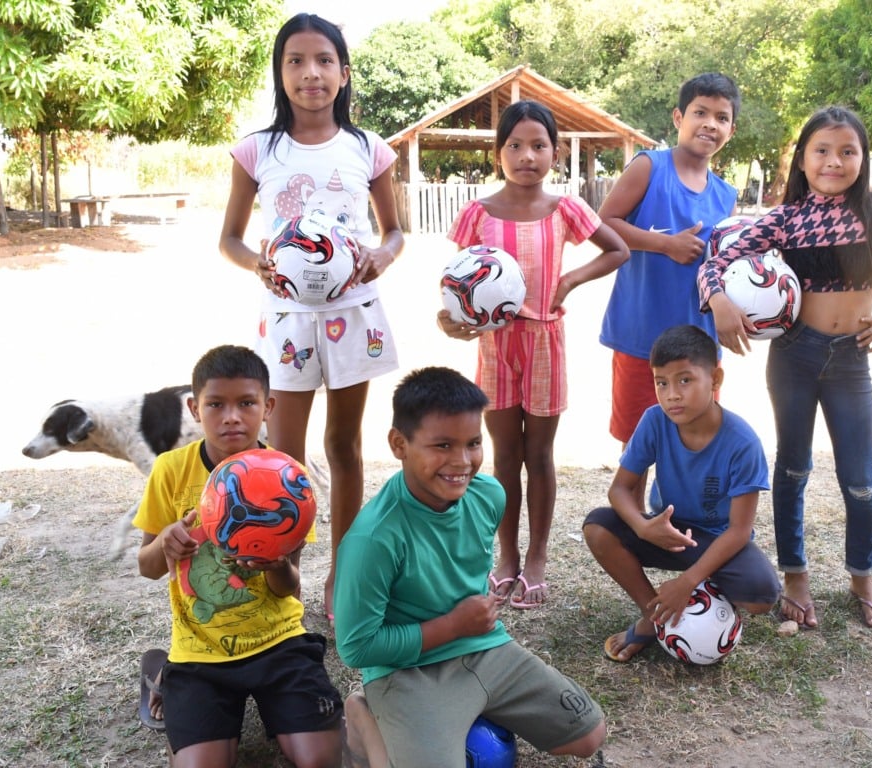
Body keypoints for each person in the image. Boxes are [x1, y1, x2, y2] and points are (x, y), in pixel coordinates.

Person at [699, 105, 872, 630]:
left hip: (851, 360)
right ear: (803, 162)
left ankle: (862, 576)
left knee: (859, 477)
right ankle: (795, 577)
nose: (834, 161)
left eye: (847, 151)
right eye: (822, 151)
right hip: (796, 355)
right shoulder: (785, 220)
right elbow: (716, 262)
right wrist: (718, 302)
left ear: (863, 158)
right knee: (792, 469)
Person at [218, 12, 404, 622]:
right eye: (295, 61)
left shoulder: (369, 150)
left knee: (345, 446)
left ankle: (341, 579)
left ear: (344, 73)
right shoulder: (256, 150)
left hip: (353, 313)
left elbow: (395, 231)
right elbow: (231, 241)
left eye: (323, 60)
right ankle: (286, 571)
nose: (310, 73)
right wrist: (258, 266)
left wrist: (380, 255)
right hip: (289, 321)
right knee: (286, 458)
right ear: (280, 73)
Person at [334, 366, 606, 767]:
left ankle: (465, 709)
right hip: (408, 671)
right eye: (442, 445)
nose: (462, 462)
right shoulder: (373, 538)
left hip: (485, 648)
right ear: (399, 444)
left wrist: (467, 630)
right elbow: (356, 647)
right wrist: (452, 626)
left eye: (473, 443)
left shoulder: (489, 496)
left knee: (587, 734)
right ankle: (363, 717)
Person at [438, 99, 628, 609]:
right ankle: (506, 557)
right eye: (515, 145)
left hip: (545, 340)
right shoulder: (478, 214)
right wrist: (452, 320)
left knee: (539, 455)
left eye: (538, 145)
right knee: (505, 457)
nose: (527, 156)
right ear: (499, 153)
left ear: (555, 152)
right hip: (496, 347)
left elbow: (618, 249)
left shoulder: (565, 208)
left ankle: (538, 556)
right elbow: (457, 283)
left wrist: (570, 278)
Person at [133, 344, 342, 767]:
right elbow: (148, 567)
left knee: (322, 760)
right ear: (194, 408)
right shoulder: (170, 471)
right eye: (216, 404)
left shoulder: (288, 481)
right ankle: (163, 674)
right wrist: (166, 543)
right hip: (200, 651)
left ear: (268, 406)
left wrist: (279, 565)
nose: (232, 416)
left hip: (277, 643)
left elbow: (289, 590)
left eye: (246, 403)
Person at [583, 325, 780, 663]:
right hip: (667, 535)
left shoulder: (743, 443)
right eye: (662, 382)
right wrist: (643, 527)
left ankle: (702, 599)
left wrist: (688, 581)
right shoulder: (654, 421)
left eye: (685, 380)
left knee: (762, 594)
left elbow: (739, 530)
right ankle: (654, 616)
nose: (672, 394)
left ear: (715, 379)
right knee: (598, 526)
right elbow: (619, 489)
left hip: (717, 541)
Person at [597, 73, 741, 507]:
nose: (709, 124)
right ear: (679, 116)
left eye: (721, 117)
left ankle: (681, 525)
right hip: (642, 335)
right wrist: (666, 244)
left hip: (699, 341)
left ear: (731, 131)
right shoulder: (649, 167)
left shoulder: (726, 195)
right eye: (700, 112)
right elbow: (603, 223)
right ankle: (630, 526)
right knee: (637, 441)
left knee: (695, 438)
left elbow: (722, 265)